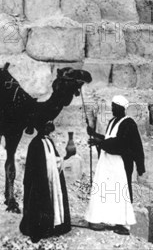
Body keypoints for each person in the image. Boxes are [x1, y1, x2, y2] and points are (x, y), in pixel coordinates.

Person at [85, 95, 145, 236]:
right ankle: (103, 219)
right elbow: (109, 139)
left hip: (120, 164)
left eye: (114, 107)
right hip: (108, 164)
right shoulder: (112, 121)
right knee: (106, 192)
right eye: (112, 106)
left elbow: (122, 144)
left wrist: (140, 166)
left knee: (121, 193)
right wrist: (94, 135)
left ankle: (123, 225)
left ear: (121, 108)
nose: (112, 109)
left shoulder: (129, 123)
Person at [19, 121, 71, 243]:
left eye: (50, 126)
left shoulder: (49, 141)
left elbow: (55, 160)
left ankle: (54, 225)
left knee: (54, 200)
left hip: (53, 178)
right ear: (41, 127)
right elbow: (32, 168)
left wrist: (65, 158)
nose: (49, 129)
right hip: (40, 182)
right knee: (39, 203)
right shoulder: (35, 143)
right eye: (47, 126)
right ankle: (39, 230)